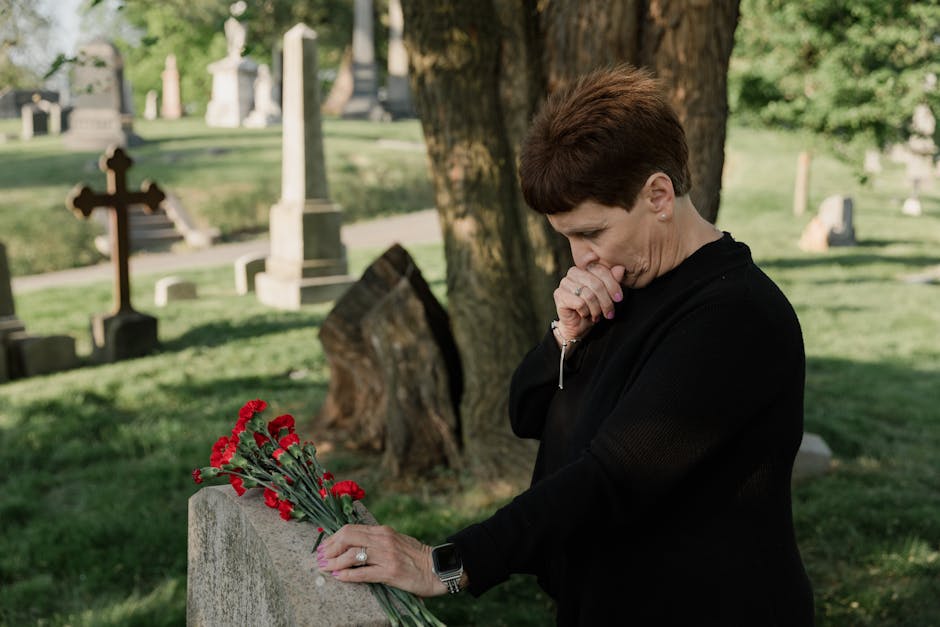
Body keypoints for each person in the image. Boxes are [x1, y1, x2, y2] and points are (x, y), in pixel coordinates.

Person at [318, 65, 816, 625]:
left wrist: (445, 565)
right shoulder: (628, 282)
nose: (580, 257)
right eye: (568, 238)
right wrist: (566, 337)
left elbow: (612, 477)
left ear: (658, 195)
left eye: (591, 232)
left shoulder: (734, 317)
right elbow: (526, 412)